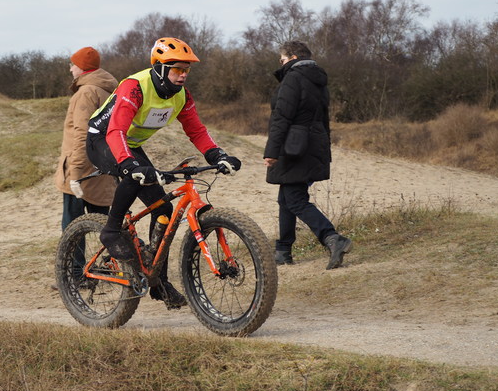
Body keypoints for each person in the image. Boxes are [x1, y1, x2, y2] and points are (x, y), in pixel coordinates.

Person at [85, 37, 241, 308]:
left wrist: (217, 154)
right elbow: (116, 131)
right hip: (103, 138)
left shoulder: (182, 95)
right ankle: (111, 231)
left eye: (186, 70)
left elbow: (196, 130)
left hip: (130, 143)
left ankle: (158, 280)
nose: (183, 75)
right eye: (177, 69)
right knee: (135, 177)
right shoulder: (135, 88)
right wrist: (129, 164)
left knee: (163, 211)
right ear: (159, 68)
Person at [263, 40, 352, 270]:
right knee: (286, 197)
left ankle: (332, 238)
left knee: (295, 199)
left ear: (292, 57)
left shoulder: (293, 78)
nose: (280, 64)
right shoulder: (318, 80)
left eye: (281, 60)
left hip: (294, 148)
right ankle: (283, 250)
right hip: (312, 146)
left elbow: (282, 117)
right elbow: (322, 120)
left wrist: (271, 152)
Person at [54, 46, 119, 231]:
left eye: (72, 65)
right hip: (103, 169)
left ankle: (73, 262)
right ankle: (112, 260)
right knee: (106, 227)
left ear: (82, 67)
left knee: (72, 229)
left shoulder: (86, 93)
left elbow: (82, 135)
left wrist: (75, 174)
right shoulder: (108, 91)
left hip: (82, 172)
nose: (70, 69)